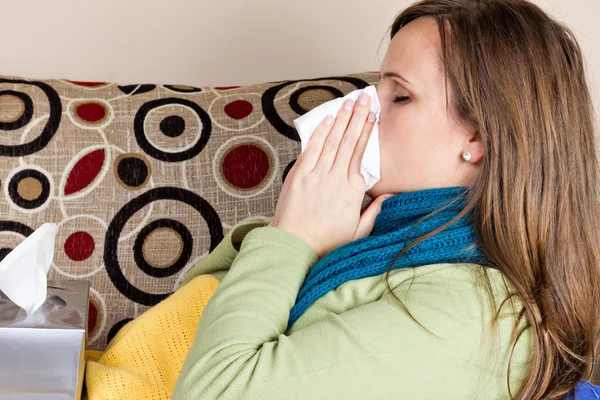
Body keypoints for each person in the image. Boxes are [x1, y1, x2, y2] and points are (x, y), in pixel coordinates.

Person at [166, 0, 600, 398]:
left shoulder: (470, 317)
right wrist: (305, 241)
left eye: (399, 96)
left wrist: (290, 237)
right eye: (375, 90)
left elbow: (208, 389)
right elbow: (184, 324)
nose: (361, 110)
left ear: (479, 137)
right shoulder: (379, 243)